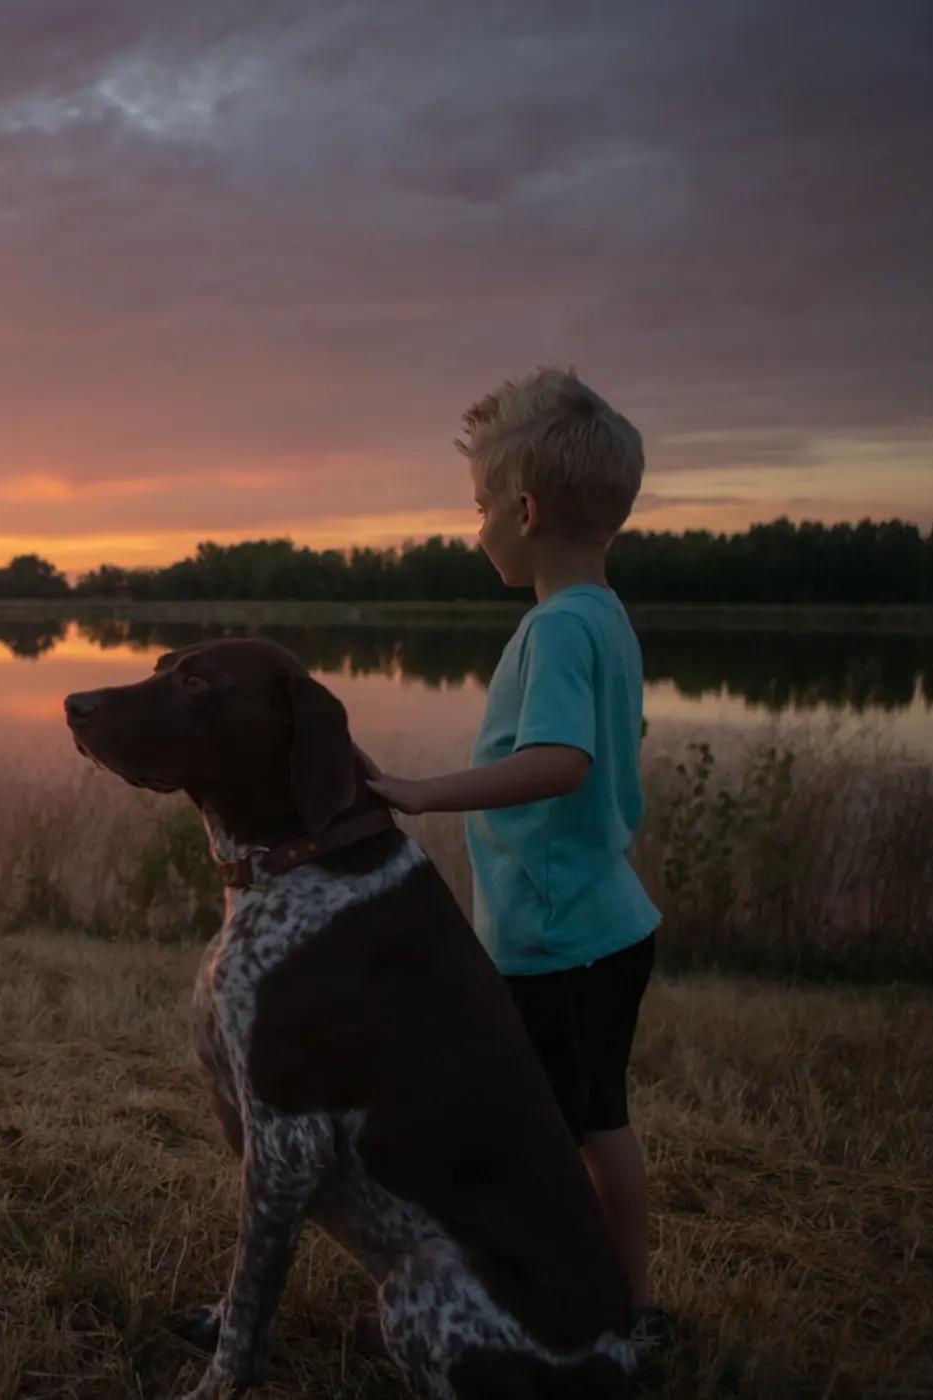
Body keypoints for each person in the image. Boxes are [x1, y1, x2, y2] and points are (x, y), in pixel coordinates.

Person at [361, 366, 669, 1360]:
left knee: (556, 1127)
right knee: (594, 1119)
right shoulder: (605, 616)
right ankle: (622, 1297)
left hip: (564, 934)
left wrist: (419, 789)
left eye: (482, 507)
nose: (477, 527)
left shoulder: (556, 626)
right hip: (604, 919)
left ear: (525, 510)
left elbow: (560, 761)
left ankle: (595, 1303)